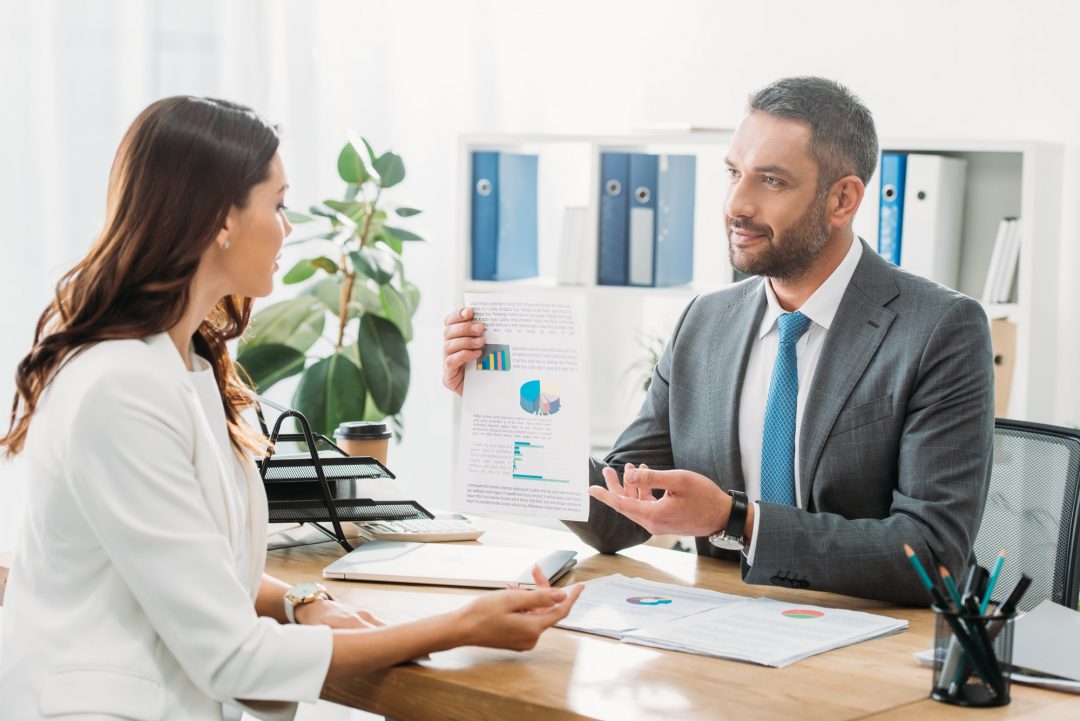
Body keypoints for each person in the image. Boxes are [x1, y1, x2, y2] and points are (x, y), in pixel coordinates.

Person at [0, 96, 582, 721]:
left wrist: (301, 599)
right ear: (220, 218)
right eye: (278, 204)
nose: (290, 225)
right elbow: (235, 662)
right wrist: (460, 626)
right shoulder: (120, 390)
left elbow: (195, 564)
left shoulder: (180, 365)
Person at [444, 76, 994, 605]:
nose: (737, 204)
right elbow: (617, 514)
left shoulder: (939, 329)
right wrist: (500, 400)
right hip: (721, 626)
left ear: (843, 200)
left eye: (771, 180)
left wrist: (737, 520)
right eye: (734, 173)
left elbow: (932, 553)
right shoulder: (705, 322)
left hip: (868, 647)